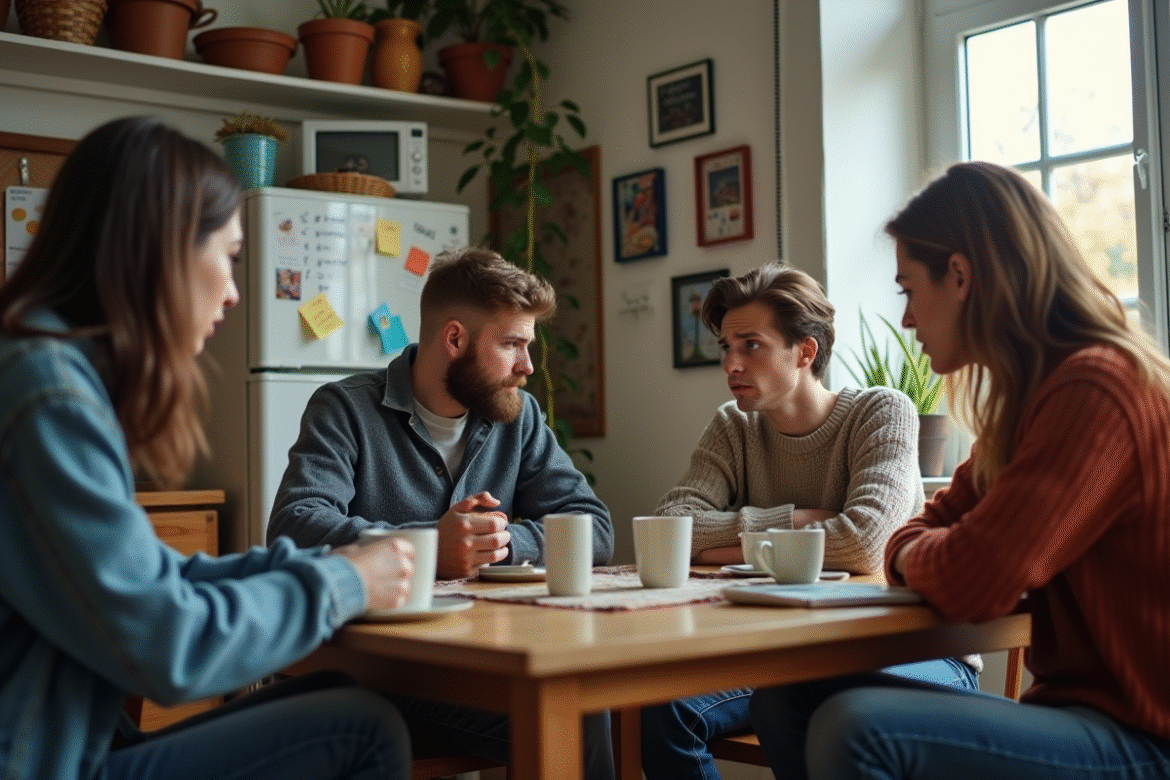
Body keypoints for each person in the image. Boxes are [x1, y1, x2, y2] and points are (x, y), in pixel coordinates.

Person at [0, 116, 415, 780]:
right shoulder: (48, 394)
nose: (231, 293)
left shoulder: (45, 370)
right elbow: (169, 646)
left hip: (77, 743)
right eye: (228, 256)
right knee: (364, 729)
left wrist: (328, 565)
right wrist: (345, 582)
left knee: (342, 700)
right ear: (159, 249)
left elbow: (155, 583)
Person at [749, 161, 1170, 780]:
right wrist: (930, 549)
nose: (908, 318)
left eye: (909, 289)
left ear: (961, 276)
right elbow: (921, 531)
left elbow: (974, 578)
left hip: (1145, 736)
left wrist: (930, 552)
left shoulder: (1096, 391)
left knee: (857, 730)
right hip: (1082, 716)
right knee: (787, 700)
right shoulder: (1032, 404)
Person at [267, 246, 616, 778]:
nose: (528, 366)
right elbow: (294, 525)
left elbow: (593, 525)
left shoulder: (516, 419)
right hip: (367, 673)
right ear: (455, 339)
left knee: (589, 709)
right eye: (513, 344)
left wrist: (497, 545)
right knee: (574, 719)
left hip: (469, 663)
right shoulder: (345, 408)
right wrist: (432, 546)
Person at [640, 263, 980, 780]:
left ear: (805, 352)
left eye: (750, 345)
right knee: (662, 707)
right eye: (726, 347)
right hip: (787, 655)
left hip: (912, 651)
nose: (731, 363)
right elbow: (673, 526)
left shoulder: (882, 411)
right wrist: (793, 520)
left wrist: (731, 540)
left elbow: (865, 543)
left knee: (812, 697)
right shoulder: (734, 426)